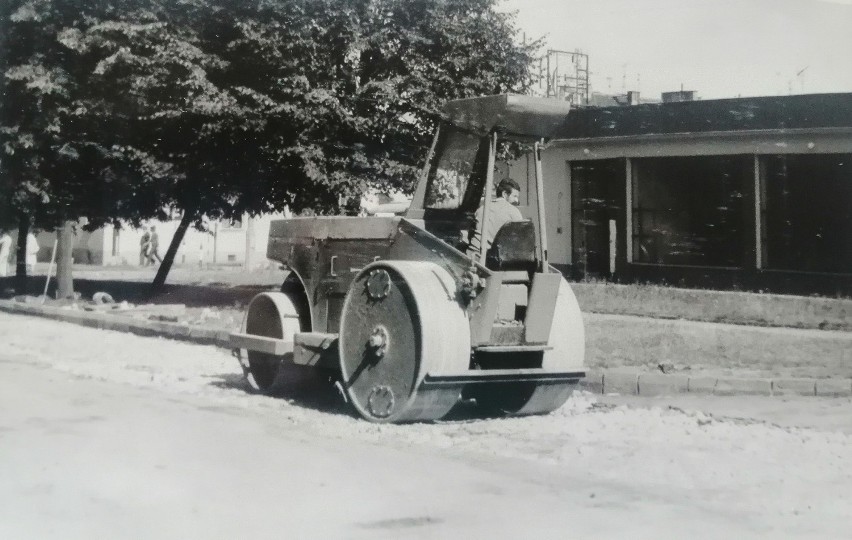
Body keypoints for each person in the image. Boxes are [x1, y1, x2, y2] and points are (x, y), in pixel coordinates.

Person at [468, 178, 524, 255]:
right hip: (493, 260)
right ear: (504, 194)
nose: (516, 200)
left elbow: (470, 234)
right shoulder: (514, 212)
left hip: (473, 254)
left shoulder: (481, 209)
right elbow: (520, 241)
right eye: (514, 196)